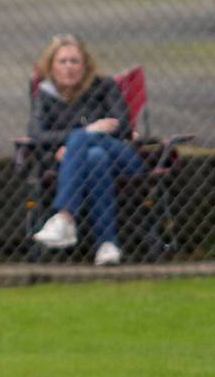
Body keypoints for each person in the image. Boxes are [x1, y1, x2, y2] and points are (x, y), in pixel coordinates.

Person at [29, 33, 143, 266]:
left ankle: (65, 217)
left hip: (122, 157)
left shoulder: (104, 86)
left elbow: (122, 127)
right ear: (51, 66)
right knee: (94, 157)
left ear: (85, 65)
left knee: (85, 141)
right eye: (62, 62)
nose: (69, 67)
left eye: (74, 61)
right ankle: (107, 245)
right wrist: (85, 137)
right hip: (89, 161)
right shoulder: (45, 93)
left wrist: (75, 144)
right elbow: (37, 135)